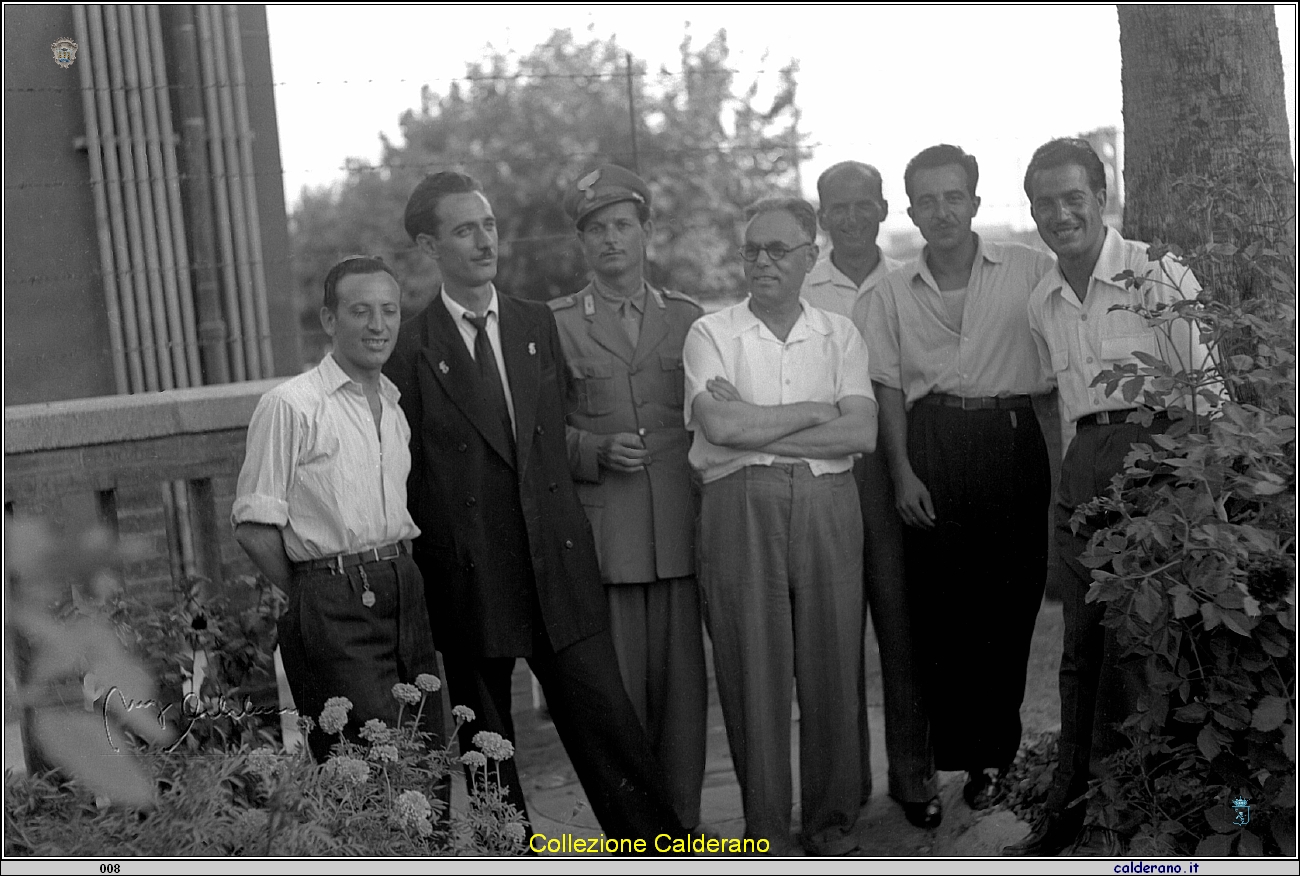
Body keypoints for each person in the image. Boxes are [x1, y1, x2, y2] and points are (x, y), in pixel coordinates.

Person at [383, 171, 684, 843]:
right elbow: (408, 478)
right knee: (491, 759)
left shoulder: (532, 323)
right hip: (470, 577)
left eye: (488, 223)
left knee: (611, 733)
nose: (484, 239)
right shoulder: (408, 350)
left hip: (556, 566)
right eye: (464, 229)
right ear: (430, 247)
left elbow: (545, 446)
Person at [1006, 138, 1214, 856]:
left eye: (1073, 197)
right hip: (1084, 470)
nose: (1060, 214)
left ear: (1102, 195)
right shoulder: (1044, 300)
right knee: (1080, 649)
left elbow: (1204, 395)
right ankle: (1071, 803)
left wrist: (1187, 499)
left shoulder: (1157, 273)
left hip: (1154, 464)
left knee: (1142, 648)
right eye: (1044, 203)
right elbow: (1067, 407)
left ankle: (1136, 814)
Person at [864, 144, 1056, 812]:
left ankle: (994, 760)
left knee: (1010, 602)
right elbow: (887, 387)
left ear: (974, 202)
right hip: (932, 440)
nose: (941, 211)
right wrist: (902, 472)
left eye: (954, 197)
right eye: (927, 200)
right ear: (911, 209)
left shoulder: (1032, 271)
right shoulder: (888, 291)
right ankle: (957, 755)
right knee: (944, 611)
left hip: (1010, 438)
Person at [684, 196, 877, 855]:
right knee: (752, 663)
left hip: (829, 505)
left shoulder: (839, 334)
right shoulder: (712, 334)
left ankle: (830, 821)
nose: (761, 262)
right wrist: (816, 413)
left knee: (832, 659)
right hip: (739, 509)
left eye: (777, 250)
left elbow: (864, 431)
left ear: (810, 258)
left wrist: (764, 432)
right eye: (751, 250)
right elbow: (720, 426)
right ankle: (764, 825)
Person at [231, 255, 442, 764]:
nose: (378, 325)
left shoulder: (392, 406)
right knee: (370, 763)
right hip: (334, 600)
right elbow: (254, 527)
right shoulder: (292, 405)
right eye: (360, 311)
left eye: (388, 311)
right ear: (329, 320)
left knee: (427, 755)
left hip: (403, 589)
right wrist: (318, 591)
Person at [549, 164, 708, 832]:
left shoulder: (689, 320)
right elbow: (536, 435)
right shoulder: (556, 325)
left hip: (679, 535)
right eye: (597, 229)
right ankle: (639, 841)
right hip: (607, 545)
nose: (611, 239)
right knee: (618, 707)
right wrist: (593, 450)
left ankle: (685, 831)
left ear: (645, 231)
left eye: (622, 224)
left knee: (685, 705)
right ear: (583, 244)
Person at [807, 160, 937, 827]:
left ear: (885, 209)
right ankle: (845, 782)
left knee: (903, 624)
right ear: (822, 215)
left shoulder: (910, 279)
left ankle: (914, 777)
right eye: (839, 207)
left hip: (900, 465)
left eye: (865, 205)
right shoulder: (803, 286)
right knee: (833, 632)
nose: (853, 217)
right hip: (830, 468)